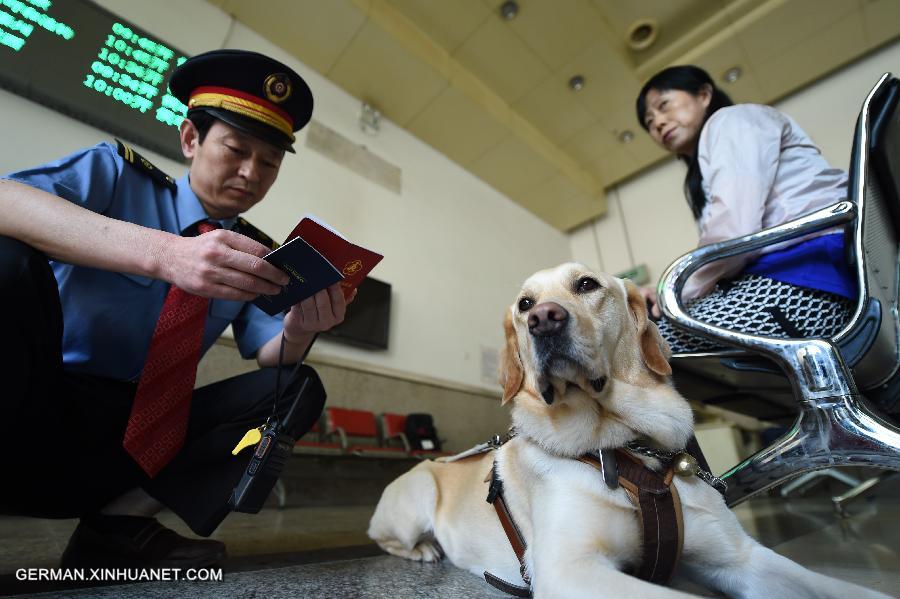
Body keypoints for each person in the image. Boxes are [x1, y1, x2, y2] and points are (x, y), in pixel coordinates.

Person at [0, 50, 351, 569]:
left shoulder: (256, 253)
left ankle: (120, 526)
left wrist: (300, 328)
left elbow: (270, 357)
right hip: (34, 404)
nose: (251, 173)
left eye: (270, 162)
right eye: (236, 149)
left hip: (134, 434)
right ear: (190, 139)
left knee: (295, 387)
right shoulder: (115, 174)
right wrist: (166, 254)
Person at [635, 65, 855, 353]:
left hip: (805, 284)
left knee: (646, 349)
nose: (658, 123)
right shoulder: (705, 169)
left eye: (664, 106)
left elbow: (733, 233)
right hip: (805, 281)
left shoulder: (731, 122)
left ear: (704, 94)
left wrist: (672, 293)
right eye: (650, 122)